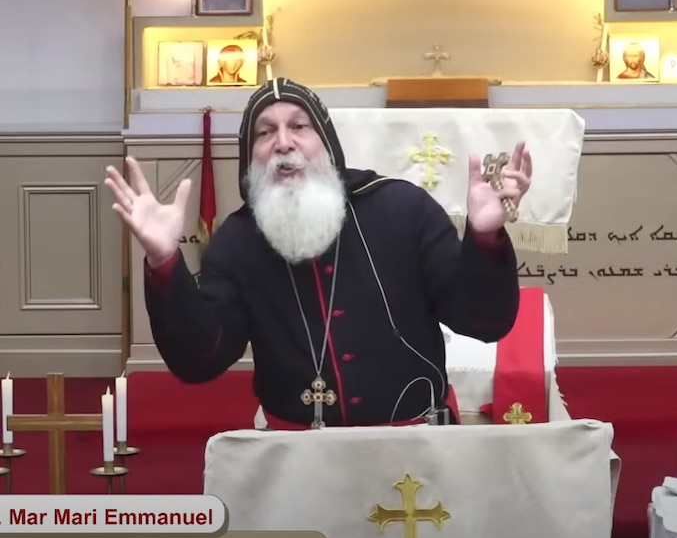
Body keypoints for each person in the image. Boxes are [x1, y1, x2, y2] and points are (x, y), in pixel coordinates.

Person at [104, 78, 532, 430]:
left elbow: (484, 322)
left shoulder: (404, 210)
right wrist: (165, 264)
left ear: (326, 143)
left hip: (416, 442)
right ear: (249, 155)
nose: (283, 143)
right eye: (265, 132)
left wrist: (484, 237)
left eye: (299, 127)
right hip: (297, 460)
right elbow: (200, 360)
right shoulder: (238, 241)